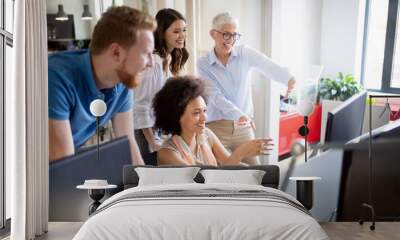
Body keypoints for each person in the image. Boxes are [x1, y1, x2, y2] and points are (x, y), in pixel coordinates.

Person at [48, 6, 155, 163]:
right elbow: (64, 162)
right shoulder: (57, 77)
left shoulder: (122, 81)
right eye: (146, 54)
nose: (151, 63)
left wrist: (147, 184)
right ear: (116, 52)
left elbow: (129, 144)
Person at [197, 12, 295, 165]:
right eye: (226, 35)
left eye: (234, 35)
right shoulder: (203, 63)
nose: (231, 40)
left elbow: (267, 65)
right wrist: (239, 114)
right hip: (216, 128)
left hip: (243, 127)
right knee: (218, 175)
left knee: (255, 173)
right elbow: (215, 96)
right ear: (213, 34)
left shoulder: (245, 53)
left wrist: (288, 78)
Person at [153, 76, 273, 166]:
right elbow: (205, 183)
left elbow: (228, 162)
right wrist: (240, 153)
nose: (204, 118)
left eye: (204, 111)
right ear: (176, 116)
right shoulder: (167, 154)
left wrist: (255, 172)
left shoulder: (206, 135)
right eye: (196, 113)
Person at [133, 8, 189, 165]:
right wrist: (152, 141)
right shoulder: (154, 62)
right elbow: (140, 105)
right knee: (147, 176)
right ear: (162, 33)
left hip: (155, 129)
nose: (182, 35)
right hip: (143, 131)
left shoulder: (168, 58)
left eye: (184, 30)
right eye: (176, 31)